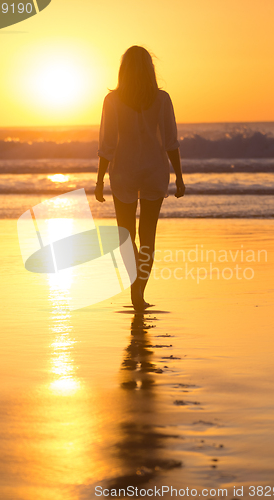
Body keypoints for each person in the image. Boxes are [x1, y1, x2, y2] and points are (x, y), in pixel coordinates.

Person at [95, 45, 185, 311]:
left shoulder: (112, 101)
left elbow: (107, 144)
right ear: (150, 69)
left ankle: (135, 289)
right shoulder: (162, 99)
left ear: (124, 69)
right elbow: (171, 142)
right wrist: (179, 177)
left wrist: (100, 179)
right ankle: (139, 292)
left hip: (123, 172)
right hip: (154, 171)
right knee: (148, 237)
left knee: (126, 236)